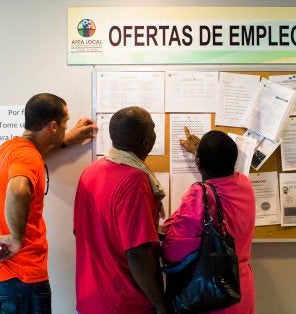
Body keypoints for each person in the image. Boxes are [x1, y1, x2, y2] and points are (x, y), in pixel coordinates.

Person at [0, 93, 98, 313]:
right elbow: (17, 190)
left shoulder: (9, 149)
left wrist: (67, 140)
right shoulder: (26, 156)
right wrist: (16, 239)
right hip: (22, 278)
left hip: (3, 278)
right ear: (53, 126)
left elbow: (35, 154)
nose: (67, 127)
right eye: (65, 123)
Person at [74, 106, 168, 314]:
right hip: (126, 304)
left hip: (90, 300)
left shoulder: (90, 172)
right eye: (153, 128)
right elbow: (137, 253)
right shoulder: (135, 181)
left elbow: (89, 230)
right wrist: (162, 306)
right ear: (147, 142)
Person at [162, 127, 256, 314]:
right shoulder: (244, 184)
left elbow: (173, 251)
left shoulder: (199, 194)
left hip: (211, 294)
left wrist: (169, 225)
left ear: (198, 161)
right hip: (240, 290)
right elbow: (218, 180)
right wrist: (198, 150)